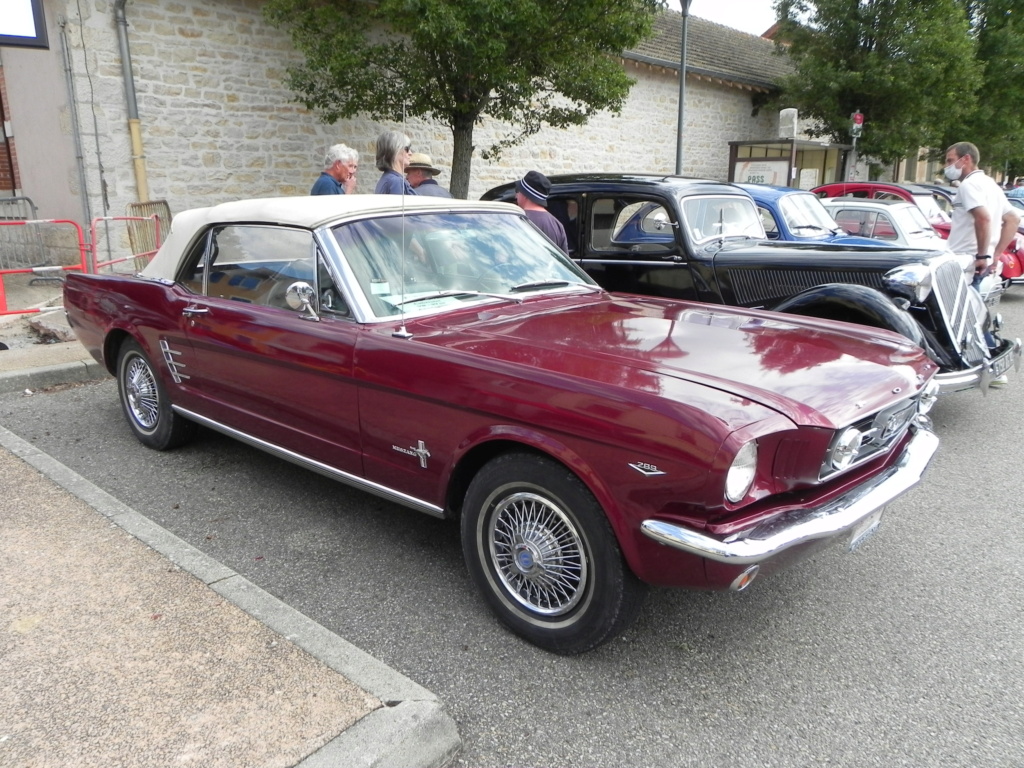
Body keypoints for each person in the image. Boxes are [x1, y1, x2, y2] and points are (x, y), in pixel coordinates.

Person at [943, 142, 1020, 285]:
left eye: (950, 160)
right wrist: (995, 255)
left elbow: (983, 218)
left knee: (960, 305)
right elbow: (1013, 219)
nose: (947, 166)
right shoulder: (990, 183)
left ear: (966, 159)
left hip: (965, 260)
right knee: (974, 304)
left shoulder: (968, 185)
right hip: (979, 260)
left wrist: (982, 256)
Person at [514, 170, 569, 254]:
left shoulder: (516, 220)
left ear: (525, 195)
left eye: (518, 191)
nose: (516, 195)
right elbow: (564, 264)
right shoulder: (557, 226)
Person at [374, 130, 416, 195]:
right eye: (407, 149)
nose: (410, 153)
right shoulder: (396, 182)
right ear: (395, 150)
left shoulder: (387, 179)